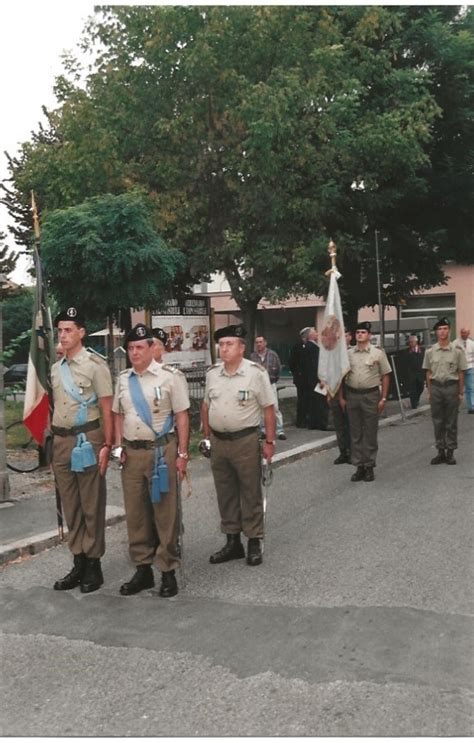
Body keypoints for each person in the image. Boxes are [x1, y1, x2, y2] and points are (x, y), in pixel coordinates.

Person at [113, 323, 190, 597]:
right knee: (136, 513)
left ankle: (167, 570)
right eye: (130, 348)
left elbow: (182, 416)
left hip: (161, 452)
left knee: (164, 512)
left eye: (139, 347)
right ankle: (143, 570)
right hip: (131, 453)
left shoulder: (170, 377)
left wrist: (182, 454)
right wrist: (118, 446)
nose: (134, 353)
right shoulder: (123, 378)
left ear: (151, 348)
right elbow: (118, 413)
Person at [201, 324, 276, 567]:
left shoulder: (256, 373)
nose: (224, 349)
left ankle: (254, 539)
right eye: (221, 345)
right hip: (219, 443)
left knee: (250, 491)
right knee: (225, 493)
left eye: (229, 344)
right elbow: (205, 406)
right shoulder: (213, 373)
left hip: (245, 441)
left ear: (242, 348)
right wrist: (206, 435)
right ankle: (232, 541)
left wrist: (270, 441)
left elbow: (268, 409)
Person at [51, 307, 113, 593]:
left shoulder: (95, 365)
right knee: (71, 506)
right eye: (60, 330)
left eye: (68, 330)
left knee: (91, 504)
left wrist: (109, 445)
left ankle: (93, 565)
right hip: (62, 442)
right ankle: (77, 561)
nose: (62, 335)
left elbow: (106, 407)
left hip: (88, 440)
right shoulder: (56, 368)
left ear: (81, 333)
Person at [339, 321, 391, 482]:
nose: (360, 334)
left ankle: (369, 466)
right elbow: (342, 377)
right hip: (352, 395)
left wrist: (383, 398)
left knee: (369, 432)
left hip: (371, 396)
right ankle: (359, 466)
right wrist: (341, 397)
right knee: (355, 433)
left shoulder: (378, 353)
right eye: (358, 332)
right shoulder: (348, 354)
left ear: (369, 335)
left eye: (363, 332)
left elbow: (386, 375)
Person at [423, 317, 467, 465]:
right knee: (437, 420)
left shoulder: (457, 351)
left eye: (445, 329)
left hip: (451, 387)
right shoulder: (430, 351)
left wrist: (461, 392)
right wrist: (429, 391)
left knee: (451, 421)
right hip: (436, 387)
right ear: (436, 332)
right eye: (439, 329)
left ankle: (450, 451)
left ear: (449, 331)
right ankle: (440, 451)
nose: (442, 332)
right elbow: (428, 372)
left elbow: (461, 372)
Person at [250, 335, 286, 440]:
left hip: (270, 384)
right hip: (258, 386)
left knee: (274, 407)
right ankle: (263, 430)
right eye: (257, 342)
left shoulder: (273, 355)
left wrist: (274, 379)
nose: (258, 344)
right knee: (261, 409)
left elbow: (278, 368)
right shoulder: (253, 356)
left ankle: (280, 430)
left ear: (265, 343)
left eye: (260, 342)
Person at [328, 329, 352, 464]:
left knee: (350, 424)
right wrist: (329, 393)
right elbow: (330, 374)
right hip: (335, 393)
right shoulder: (333, 354)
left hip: (349, 393)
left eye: (346, 335)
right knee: (339, 425)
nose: (343, 338)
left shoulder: (352, 353)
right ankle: (343, 452)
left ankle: (353, 451)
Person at [305, 328, 328, 430]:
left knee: (313, 401)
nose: (317, 334)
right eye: (315, 332)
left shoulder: (311, 346)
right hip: (316, 379)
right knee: (319, 401)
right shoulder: (312, 347)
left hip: (312, 378)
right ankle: (321, 423)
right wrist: (320, 379)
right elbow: (315, 364)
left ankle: (313, 422)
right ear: (310, 335)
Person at [288, 327, 310, 427]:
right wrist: (297, 373)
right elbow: (292, 362)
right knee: (302, 400)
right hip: (301, 379)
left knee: (309, 400)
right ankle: (301, 421)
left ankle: (308, 419)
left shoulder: (311, 346)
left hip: (309, 379)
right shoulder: (297, 347)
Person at [455, 327, 474, 414]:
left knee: (470, 388)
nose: (464, 334)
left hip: (469, 367)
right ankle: (456, 407)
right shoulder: (455, 343)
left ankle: (471, 407)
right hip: (458, 369)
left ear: (468, 333)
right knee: (457, 388)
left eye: (465, 333)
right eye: (462, 333)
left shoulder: (472, 343)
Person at [404, 334, 425, 409]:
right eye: (410, 342)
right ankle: (414, 404)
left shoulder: (422, 350)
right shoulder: (407, 351)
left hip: (420, 373)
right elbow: (405, 363)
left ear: (416, 342)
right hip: (411, 373)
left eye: (412, 342)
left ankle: (417, 399)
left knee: (421, 387)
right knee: (413, 390)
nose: (411, 343)